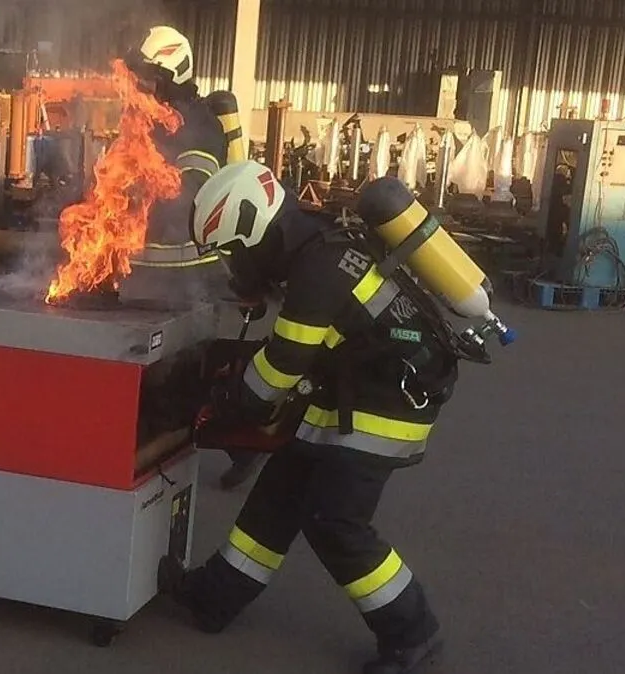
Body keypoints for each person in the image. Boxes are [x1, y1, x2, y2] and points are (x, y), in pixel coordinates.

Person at [159, 160, 475, 674]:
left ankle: (413, 636)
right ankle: (212, 598)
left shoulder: (318, 271)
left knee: (337, 523)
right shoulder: (319, 244)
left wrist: (224, 403)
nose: (235, 268)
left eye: (233, 253)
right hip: (351, 390)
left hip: (385, 407)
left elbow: (278, 369)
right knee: (280, 494)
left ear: (252, 231)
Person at [120, 25, 262, 490]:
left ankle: (237, 443)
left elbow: (192, 198)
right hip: (151, 272)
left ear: (173, 74)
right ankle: (153, 447)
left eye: (150, 75)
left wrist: (137, 199)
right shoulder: (157, 119)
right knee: (162, 373)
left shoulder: (197, 126)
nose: (142, 83)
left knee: (182, 376)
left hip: (187, 274)